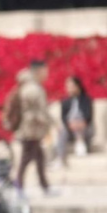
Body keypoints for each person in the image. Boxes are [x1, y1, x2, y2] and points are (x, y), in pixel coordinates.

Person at [15, 61, 57, 197]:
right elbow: (36, 111)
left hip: (33, 130)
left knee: (39, 158)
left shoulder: (30, 86)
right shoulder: (32, 88)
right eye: (45, 71)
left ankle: (44, 186)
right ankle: (19, 187)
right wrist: (51, 122)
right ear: (39, 71)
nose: (46, 74)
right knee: (26, 159)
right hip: (30, 130)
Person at [56, 76, 95, 166]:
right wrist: (70, 125)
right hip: (70, 127)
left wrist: (81, 123)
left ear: (78, 87)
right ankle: (60, 158)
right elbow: (64, 118)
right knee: (62, 132)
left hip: (84, 127)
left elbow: (88, 116)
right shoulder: (65, 101)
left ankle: (80, 143)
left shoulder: (86, 100)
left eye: (71, 86)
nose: (69, 89)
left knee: (79, 127)